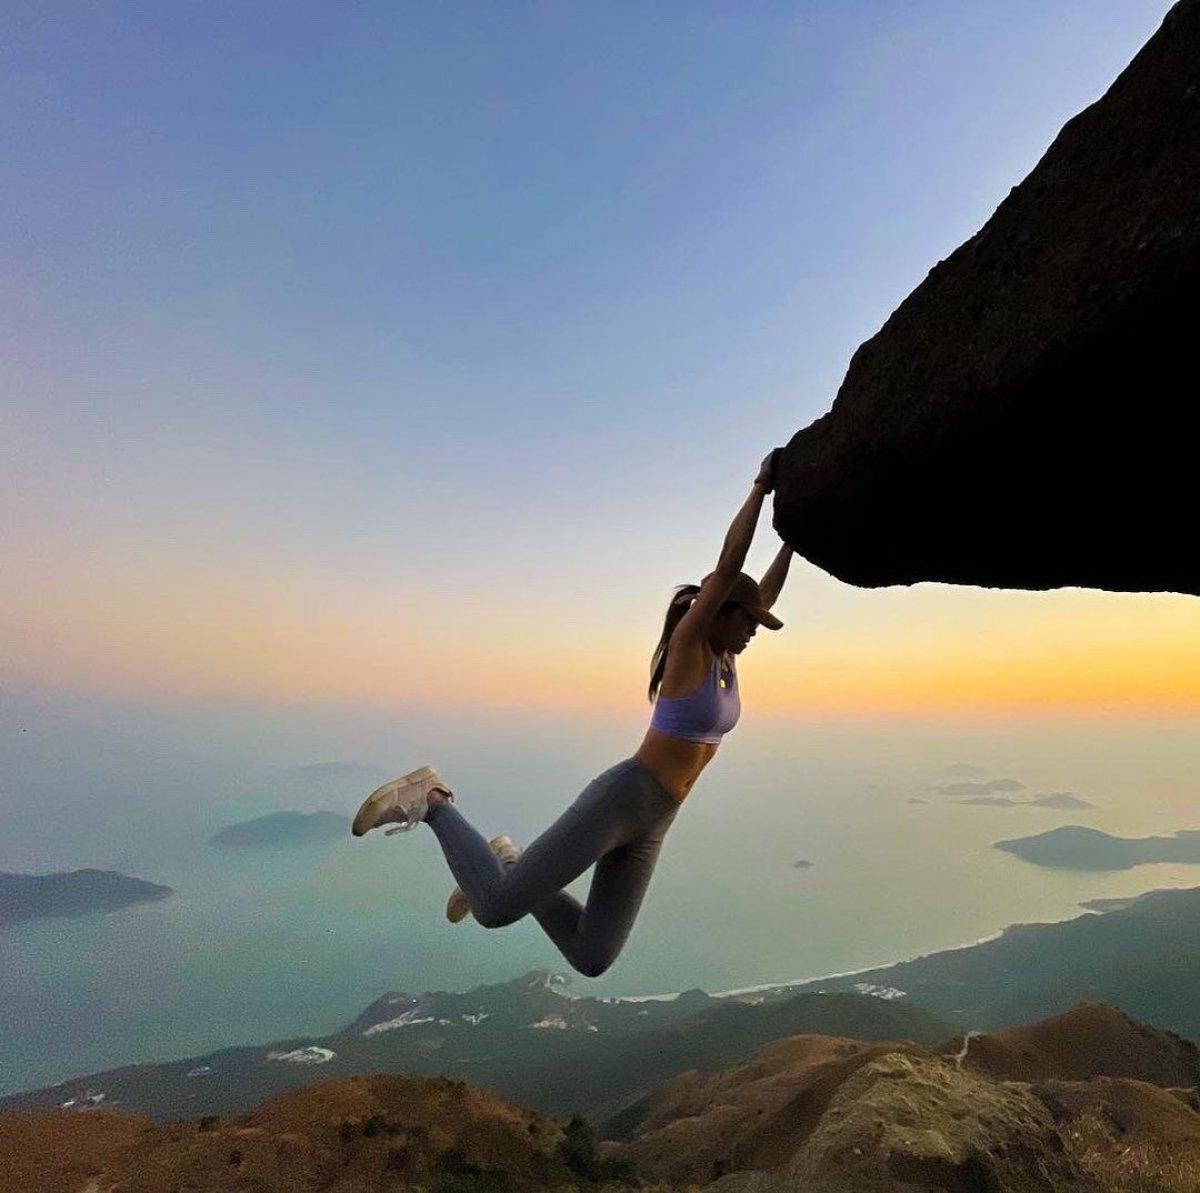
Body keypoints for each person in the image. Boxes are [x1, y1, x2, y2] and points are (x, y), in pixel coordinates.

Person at [352, 448, 793, 977]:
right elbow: (730, 567)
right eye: (748, 621)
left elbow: (760, 590)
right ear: (719, 612)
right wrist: (761, 491)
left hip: (657, 818)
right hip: (625, 796)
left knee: (592, 956)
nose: (753, 631)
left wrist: (794, 537)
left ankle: (508, 860)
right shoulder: (689, 646)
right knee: (494, 909)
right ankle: (434, 800)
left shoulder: (725, 656)